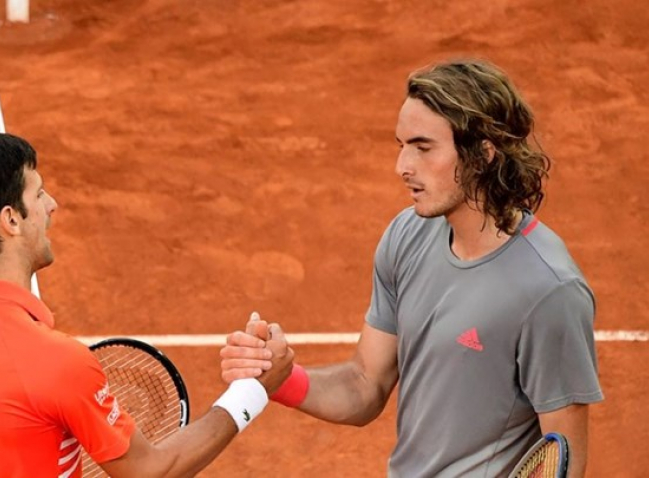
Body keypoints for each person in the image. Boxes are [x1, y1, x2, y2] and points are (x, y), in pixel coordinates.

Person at [220, 59, 603, 478]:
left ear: (482, 155)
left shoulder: (548, 291)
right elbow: (366, 383)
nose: (402, 166)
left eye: (423, 148)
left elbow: (562, 462)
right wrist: (281, 378)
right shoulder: (408, 235)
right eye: (402, 145)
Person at [0, 132, 293, 477]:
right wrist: (253, 391)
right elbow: (151, 470)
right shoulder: (58, 362)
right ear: (10, 220)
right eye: (39, 194)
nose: (52, 205)